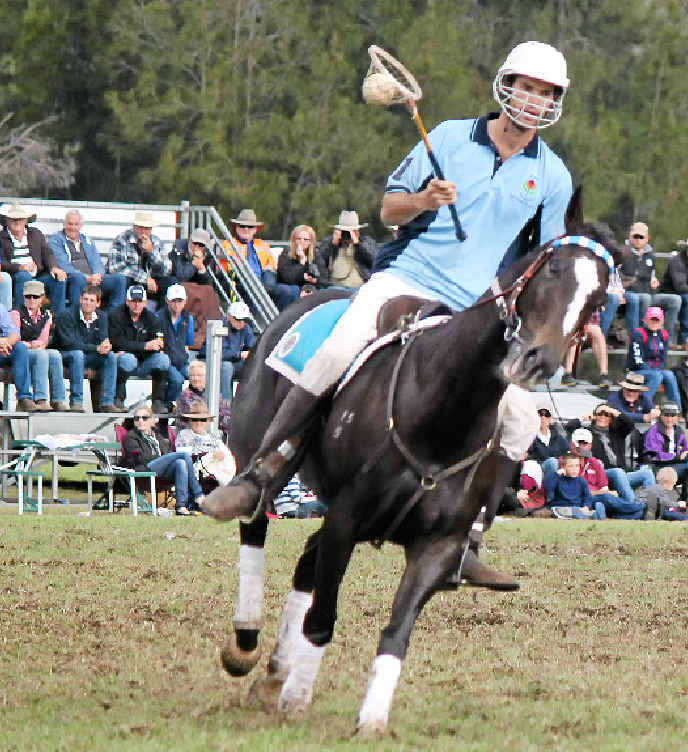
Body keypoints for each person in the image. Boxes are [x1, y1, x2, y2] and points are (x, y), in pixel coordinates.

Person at [206, 41, 575, 590]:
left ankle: (464, 540)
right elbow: (388, 209)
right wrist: (425, 200)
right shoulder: (449, 136)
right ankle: (260, 474)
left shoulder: (553, 176)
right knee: (335, 350)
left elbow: (546, 261)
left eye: (548, 93)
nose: (535, 100)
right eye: (528, 86)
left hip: (477, 310)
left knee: (520, 417)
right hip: (408, 280)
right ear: (506, 86)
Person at [565, 402, 656, 504]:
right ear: (595, 416)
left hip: (622, 475)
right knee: (617, 472)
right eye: (600, 414)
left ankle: (650, 506)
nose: (603, 416)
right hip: (602, 474)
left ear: (611, 418)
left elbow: (629, 424)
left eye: (606, 414)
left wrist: (614, 412)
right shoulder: (588, 433)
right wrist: (584, 418)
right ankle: (632, 504)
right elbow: (569, 427)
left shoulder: (616, 433)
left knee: (647, 473)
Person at [122, 404, 205, 516]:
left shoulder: (157, 435)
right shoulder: (131, 437)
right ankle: (198, 494)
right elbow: (140, 458)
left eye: (144, 418)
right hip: (144, 469)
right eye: (137, 418)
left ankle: (181, 506)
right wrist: (162, 459)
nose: (140, 421)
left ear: (152, 421)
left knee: (180, 463)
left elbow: (167, 452)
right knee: (184, 455)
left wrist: (165, 459)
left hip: (160, 470)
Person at [109, 285, 179, 413]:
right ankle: (118, 399)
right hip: (127, 360)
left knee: (163, 359)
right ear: (127, 301)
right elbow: (116, 342)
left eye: (140, 301)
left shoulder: (152, 318)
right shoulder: (116, 315)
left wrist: (133, 347)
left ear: (145, 303)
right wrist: (144, 346)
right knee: (127, 359)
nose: (136, 305)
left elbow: (158, 344)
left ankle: (158, 401)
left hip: (145, 360)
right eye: (133, 301)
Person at [53, 285, 125, 412]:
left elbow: (103, 339)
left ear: (98, 303)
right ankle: (76, 402)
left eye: (92, 300)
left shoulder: (102, 317)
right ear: (80, 299)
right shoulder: (67, 315)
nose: (88, 303)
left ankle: (107, 402)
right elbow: (69, 343)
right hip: (66, 354)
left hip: (89, 354)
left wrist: (106, 346)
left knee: (111, 357)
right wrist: (97, 348)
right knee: (77, 355)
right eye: (85, 299)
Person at [48, 209, 128, 309]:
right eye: (70, 224)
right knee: (78, 278)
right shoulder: (55, 240)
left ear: (80, 226)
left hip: (93, 279)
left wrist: (97, 276)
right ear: (64, 224)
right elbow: (63, 266)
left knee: (120, 280)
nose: (73, 227)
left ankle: (114, 318)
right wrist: (87, 278)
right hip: (73, 279)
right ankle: (76, 316)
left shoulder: (87, 241)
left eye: (76, 224)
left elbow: (97, 262)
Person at [221, 209, 297, 310]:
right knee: (252, 289)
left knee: (286, 291)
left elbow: (271, 267)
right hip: (238, 282)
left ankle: (280, 323)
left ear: (255, 230)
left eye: (250, 226)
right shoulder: (228, 244)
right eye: (242, 226)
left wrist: (266, 284)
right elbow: (227, 269)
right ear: (236, 228)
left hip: (264, 282)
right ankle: (252, 323)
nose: (246, 229)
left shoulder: (262, 245)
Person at [10, 279, 66, 411]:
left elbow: (44, 340)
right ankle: (40, 398)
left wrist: (32, 344)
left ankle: (58, 399)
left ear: (41, 298)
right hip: (19, 352)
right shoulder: (16, 313)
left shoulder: (47, 315)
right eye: (28, 296)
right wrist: (32, 345)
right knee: (41, 355)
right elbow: (16, 339)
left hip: (34, 348)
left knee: (55, 355)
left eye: (35, 297)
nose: (31, 300)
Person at [564, 428, 645, 519]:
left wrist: (604, 493)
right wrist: (602, 493)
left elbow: (604, 487)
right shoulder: (566, 461)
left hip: (598, 498)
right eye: (579, 443)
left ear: (590, 445)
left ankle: (619, 514)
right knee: (607, 497)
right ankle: (638, 506)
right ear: (572, 444)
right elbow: (576, 492)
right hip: (581, 499)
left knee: (637, 513)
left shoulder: (594, 462)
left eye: (585, 444)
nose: (582, 447)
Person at [1, 202, 67, 313]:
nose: (17, 222)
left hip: (38, 275)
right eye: (13, 219)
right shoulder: (1, 237)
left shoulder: (35, 233)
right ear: (7, 221)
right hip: (16, 276)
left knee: (59, 278)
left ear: (26, 221)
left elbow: (47, 253)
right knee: (24, 276)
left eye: (20, 219)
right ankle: (21, 318)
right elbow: (2, 262)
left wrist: (54, 268)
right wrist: (20, 267)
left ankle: (58, 322)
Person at [620, 222, 682, 339]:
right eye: (635, 236)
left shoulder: (650, 256)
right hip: (628, 293)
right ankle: (644, 337)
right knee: (645, 298)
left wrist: (654, 281)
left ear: (647, 238)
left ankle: (665, 338)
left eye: (641, 237)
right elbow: (618, 278)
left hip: (648, 293)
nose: (638, 240)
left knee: (675, 300)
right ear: (630, 237)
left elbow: (652, 276)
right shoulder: (622, 253)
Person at [106, 211, 176, 301]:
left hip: (152, 282)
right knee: (122, 281)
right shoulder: (122, 239)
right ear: (134, 227)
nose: (143, 231)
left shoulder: (156, 241)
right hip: (132, 281)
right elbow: (115, 268)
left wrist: (152, 252)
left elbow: (167, 269)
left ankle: (163, 313)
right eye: (140, 227)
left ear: (151, 229)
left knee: (171, 282)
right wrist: (145, 279)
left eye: (147, 228)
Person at [642, 403, 688, 499]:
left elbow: (686, 450)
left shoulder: (679, 430)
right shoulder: (653, 431)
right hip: (660, 468)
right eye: (666, 415)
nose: (669, 419)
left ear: (677, 417)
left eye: (673, 415)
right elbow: (653, 455)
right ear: (661, 416)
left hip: (676, 466)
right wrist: (676, 457)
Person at [628, 306, 682, 409]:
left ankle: (676, 410)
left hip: (655, 371)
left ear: (662, 322)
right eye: (652, 319)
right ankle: (642, 407)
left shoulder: (664, 335)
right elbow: (637, 360)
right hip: (634, 371)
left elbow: (663, 359)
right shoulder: (638, 333)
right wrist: (654, 372)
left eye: (657, 320)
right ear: (646, 320)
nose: (654, 322)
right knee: (657, 376)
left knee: (670, 375)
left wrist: (656, 371)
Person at [315, 211, 377, 292]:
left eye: (351, 231)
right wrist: (332, 244)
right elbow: (320, 261)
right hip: (335, 288)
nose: (347, 234)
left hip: (360, 288)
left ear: (357, 230)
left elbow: (372, 261)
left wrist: (357, 244)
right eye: (345, 231)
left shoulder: (366, 242)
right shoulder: (330, 242)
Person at [174, 408, 235, 488]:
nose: (199, 423)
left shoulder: (215, 438)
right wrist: (211, 457)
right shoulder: (184, 435)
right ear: (190, 420)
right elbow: (184, 458)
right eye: (195, 420)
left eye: (202, 420)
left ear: (208, 421)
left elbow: (227, 459)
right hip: (197, 475)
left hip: (219, 476)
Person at [157, 284, 193, 403]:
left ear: (185, 301)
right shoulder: (158, 317)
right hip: (166, 361)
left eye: (180, 301)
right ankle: (169, 406)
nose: (177, 304)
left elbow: (188, 343)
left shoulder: (188, 318)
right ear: (167, 300)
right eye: (173, 301)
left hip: (182, 361)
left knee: (200, 376)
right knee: (178, 380)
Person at [0, 298, 37, 411]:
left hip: (3, 350)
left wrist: (6, 342)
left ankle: (24, 397)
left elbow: (15, 334)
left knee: (20, 347)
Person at [176, 360, 231, 435]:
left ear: (206, 377)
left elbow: (225, 416)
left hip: (215, 434)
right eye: (192, 375)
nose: (195, 378)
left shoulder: (214, 394)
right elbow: (183, 422)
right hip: (191, 435)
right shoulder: (184, 396)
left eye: (199, 375)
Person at [544, 452, 605, 520]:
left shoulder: (582, 481)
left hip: (577, 507)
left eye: (577, 466)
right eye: (571, 466)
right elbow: (548, 487)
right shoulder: (558, 479)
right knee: (565, 511)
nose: (574, 469)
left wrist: (586, 506)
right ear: (563, 467)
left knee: (581, 511)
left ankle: (596, 514)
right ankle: (590, 515)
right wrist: (557, 474)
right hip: (560, 507)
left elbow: (587, 497)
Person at [219, 301, 257, 402]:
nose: (241, 323)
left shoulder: (245, 327)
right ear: (230, 316)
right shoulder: (220, 326)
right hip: (217, 363)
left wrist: (250, 353)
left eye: (244, 320)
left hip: (235, 363)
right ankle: (226, 405)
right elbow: (220, 353)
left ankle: (247, 402)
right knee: (226, 367)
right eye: (238, 319)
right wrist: (239, 354)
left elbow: (253, 346)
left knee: (254, 367)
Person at [277, 225, 321, 300]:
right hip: (291, 287)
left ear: (310, 242)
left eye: (305, 239)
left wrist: (315, 280)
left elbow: (324, 277)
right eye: (299, 239)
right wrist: (302, 262)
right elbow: (286, 279)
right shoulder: (287, 253)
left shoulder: (315, 254)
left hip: (309, 287)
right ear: (294, 240)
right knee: (294, 289)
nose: (301, 242)